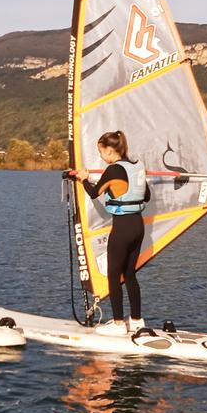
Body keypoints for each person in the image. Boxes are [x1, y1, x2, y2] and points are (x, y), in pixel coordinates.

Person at [76, 130, 150, 336]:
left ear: (110, 150)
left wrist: (83, 178)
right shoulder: (138, 166)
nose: (101, 156)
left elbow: (93, 192)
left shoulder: (112, 170)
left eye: (101, 152)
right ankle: (137, 320)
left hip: (123, 229)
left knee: (113, 275)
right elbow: (146, 196)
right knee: (129, 274)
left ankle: (118, 324)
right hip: (138, 227)